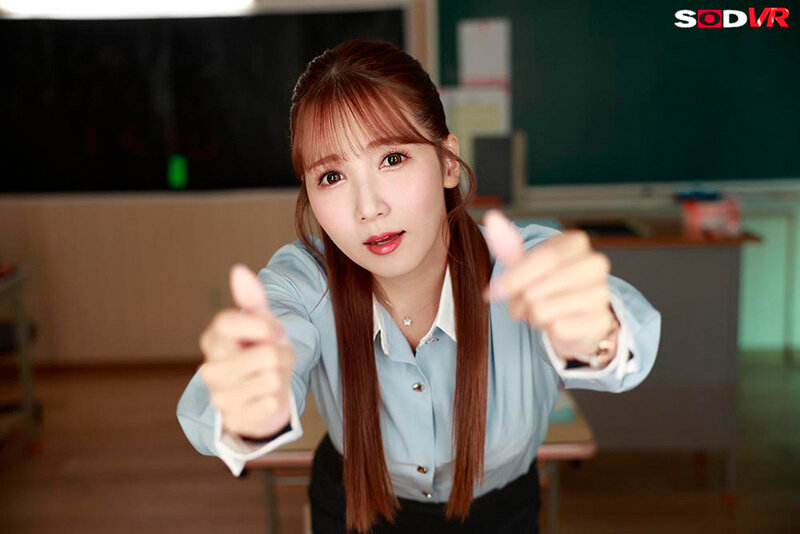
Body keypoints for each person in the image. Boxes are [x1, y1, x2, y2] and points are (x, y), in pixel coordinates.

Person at [177, 38, 661, 534]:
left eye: (392, 158)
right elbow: (261, 349)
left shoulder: (521, 267)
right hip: (354, 507)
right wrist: (248, 408)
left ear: (448, 162)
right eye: (332, 177)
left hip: (499, 516)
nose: (369, 208)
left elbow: (627, 340)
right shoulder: (304, 280)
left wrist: (597, 335)